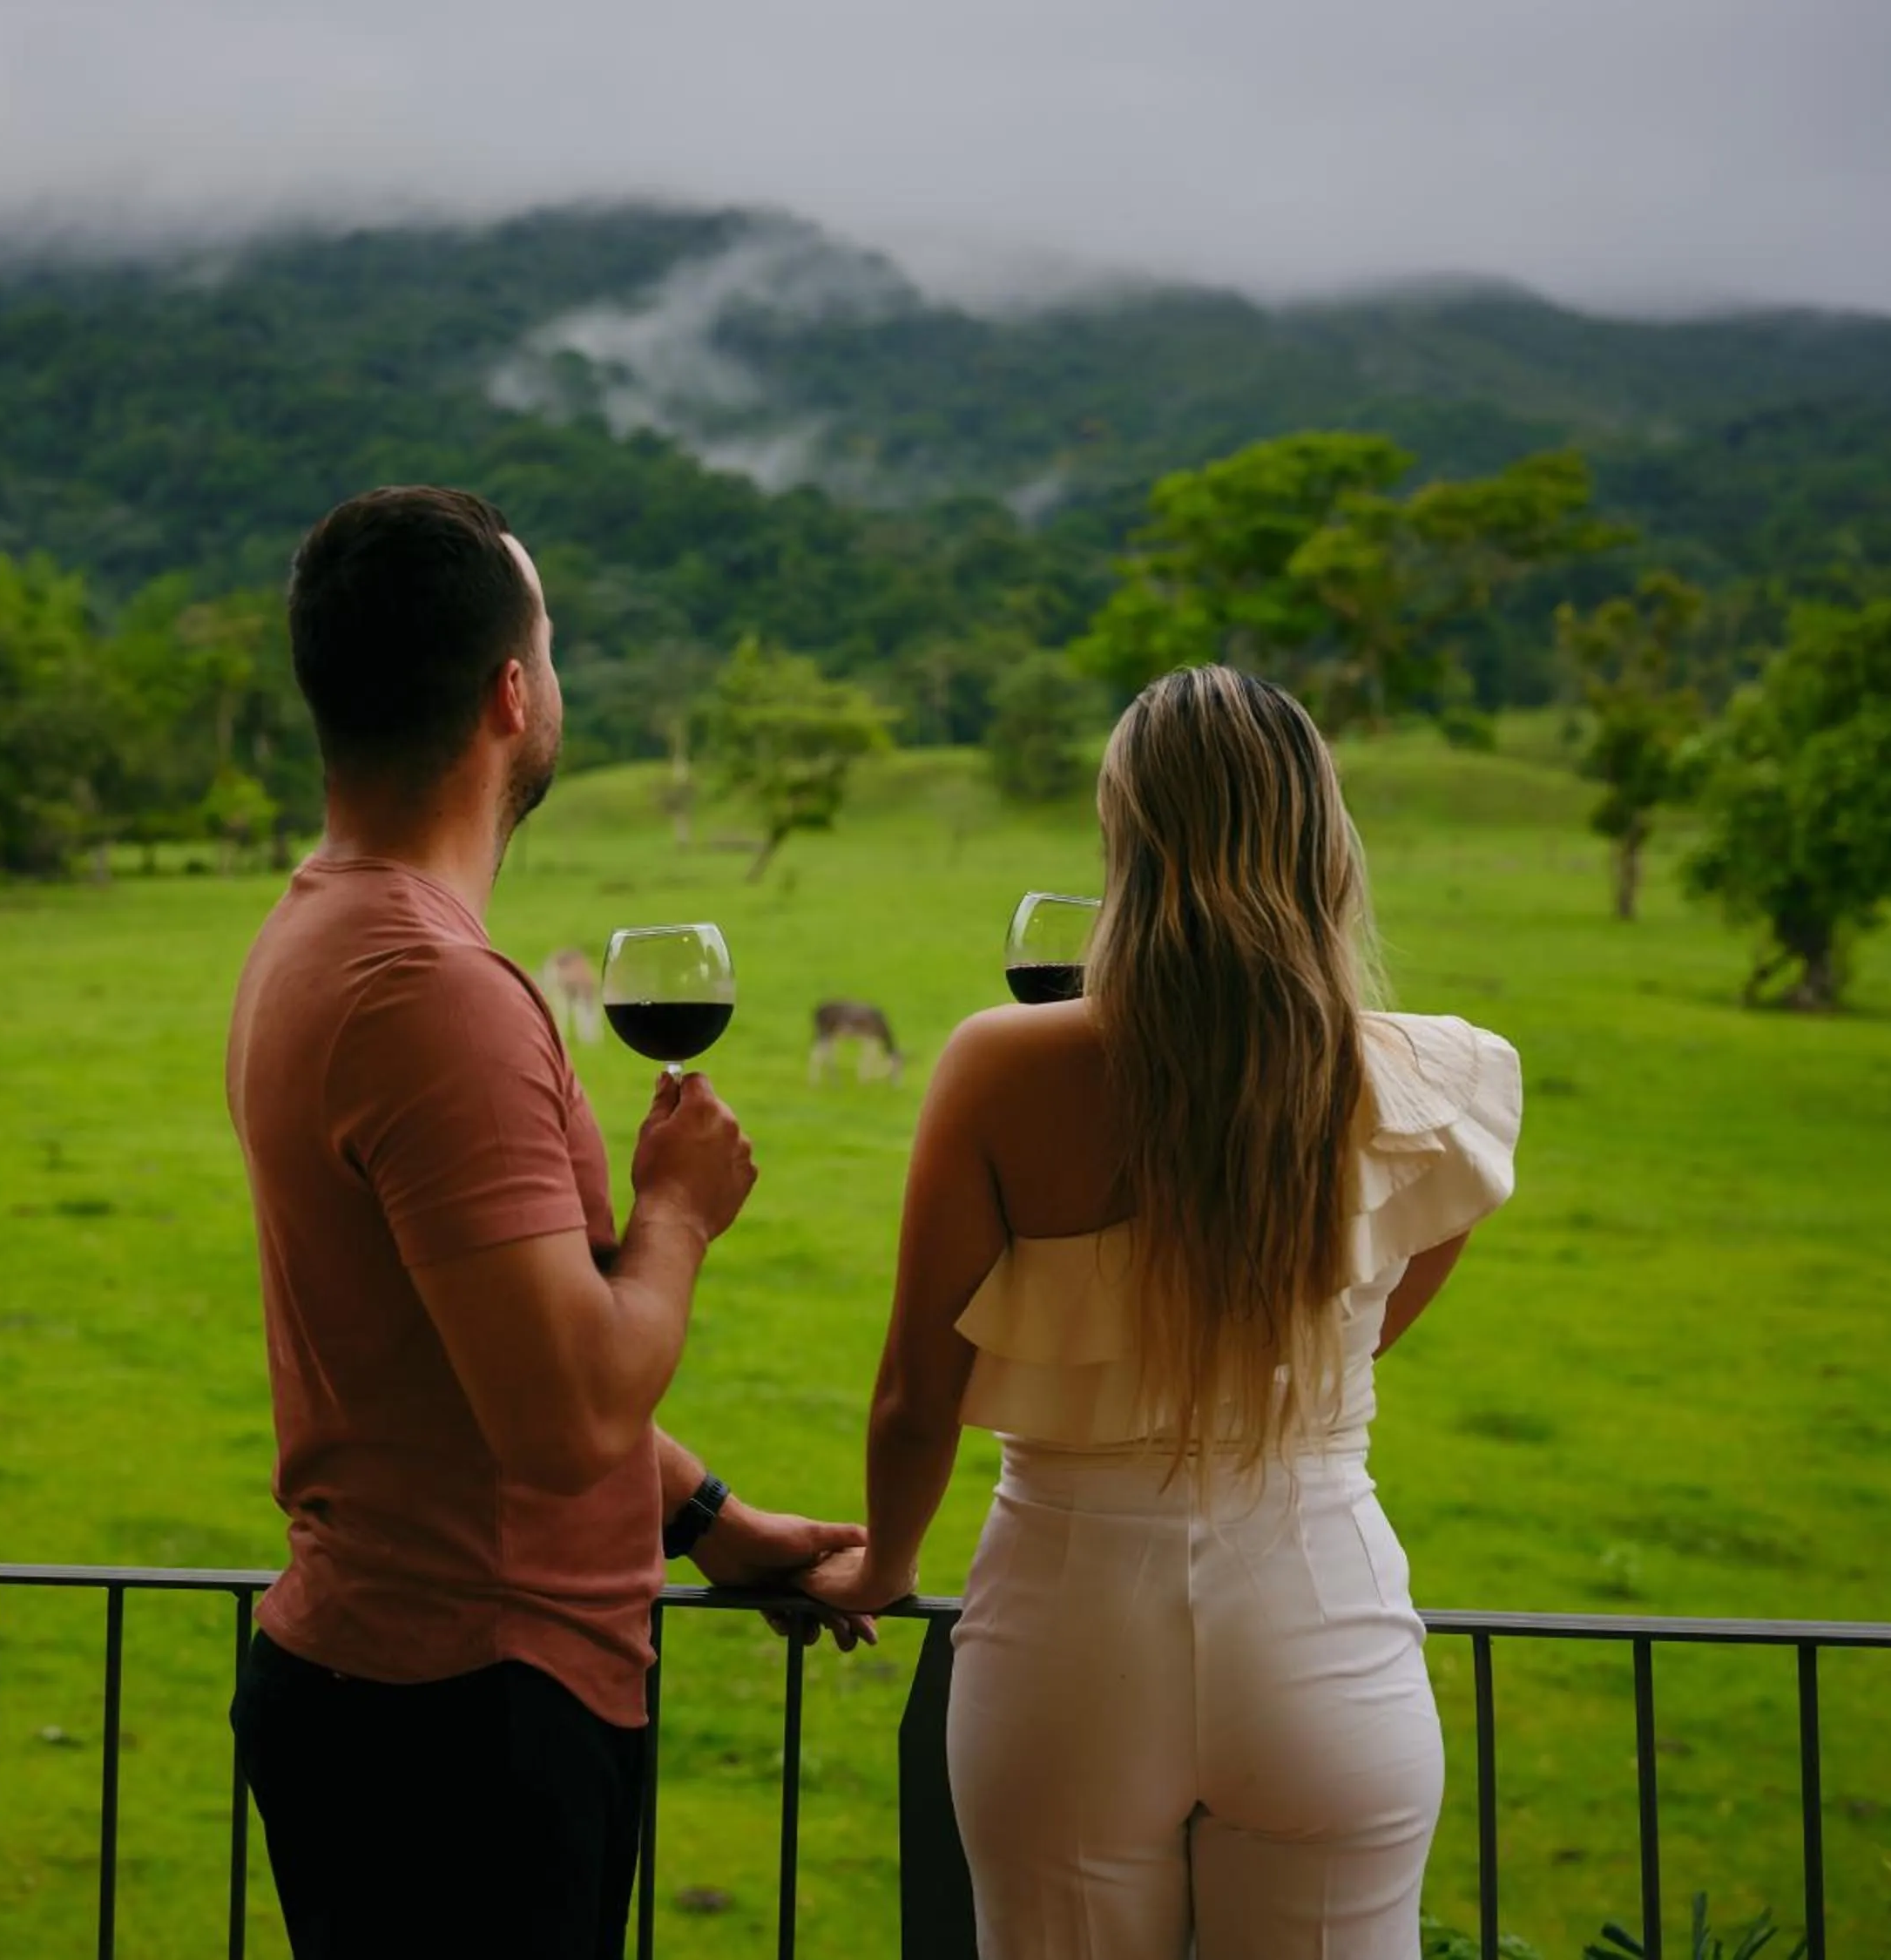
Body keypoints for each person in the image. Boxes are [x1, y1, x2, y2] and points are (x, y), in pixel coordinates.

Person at [224, 485, 873, 1960]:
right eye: (556, 651)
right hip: (471, 1714)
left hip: (404, 1688)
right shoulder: (434, 993)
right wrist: (680, 1216)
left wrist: (707, 1521)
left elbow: (469, 1350)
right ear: (514, 693)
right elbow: (563, 1406)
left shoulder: (318, 926)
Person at [802, 664, 1523, 1958]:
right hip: (1321, 1607)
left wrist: (885, 1566)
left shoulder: (998, 1066)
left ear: (1124, 845)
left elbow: (919, 1396)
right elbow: (1372, 1311)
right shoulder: (1443, 1078)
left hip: (1066, 1623)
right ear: (1324, 842)